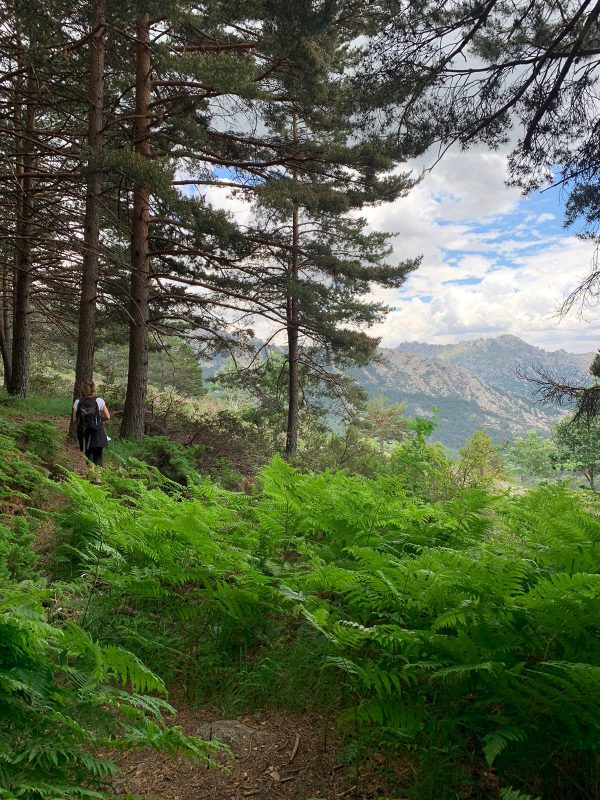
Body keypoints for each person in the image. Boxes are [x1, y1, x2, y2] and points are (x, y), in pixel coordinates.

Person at [72, 380, 110, 482]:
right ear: (94, 389)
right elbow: (108, 416)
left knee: (88, 455)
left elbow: (75, 419)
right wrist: (98, 420)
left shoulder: (77, 402)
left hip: (85, 432)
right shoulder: (100, 401)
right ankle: (98, 480)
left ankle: (91, 478)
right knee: (98, 455)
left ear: (82, 390)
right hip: (98, 431)